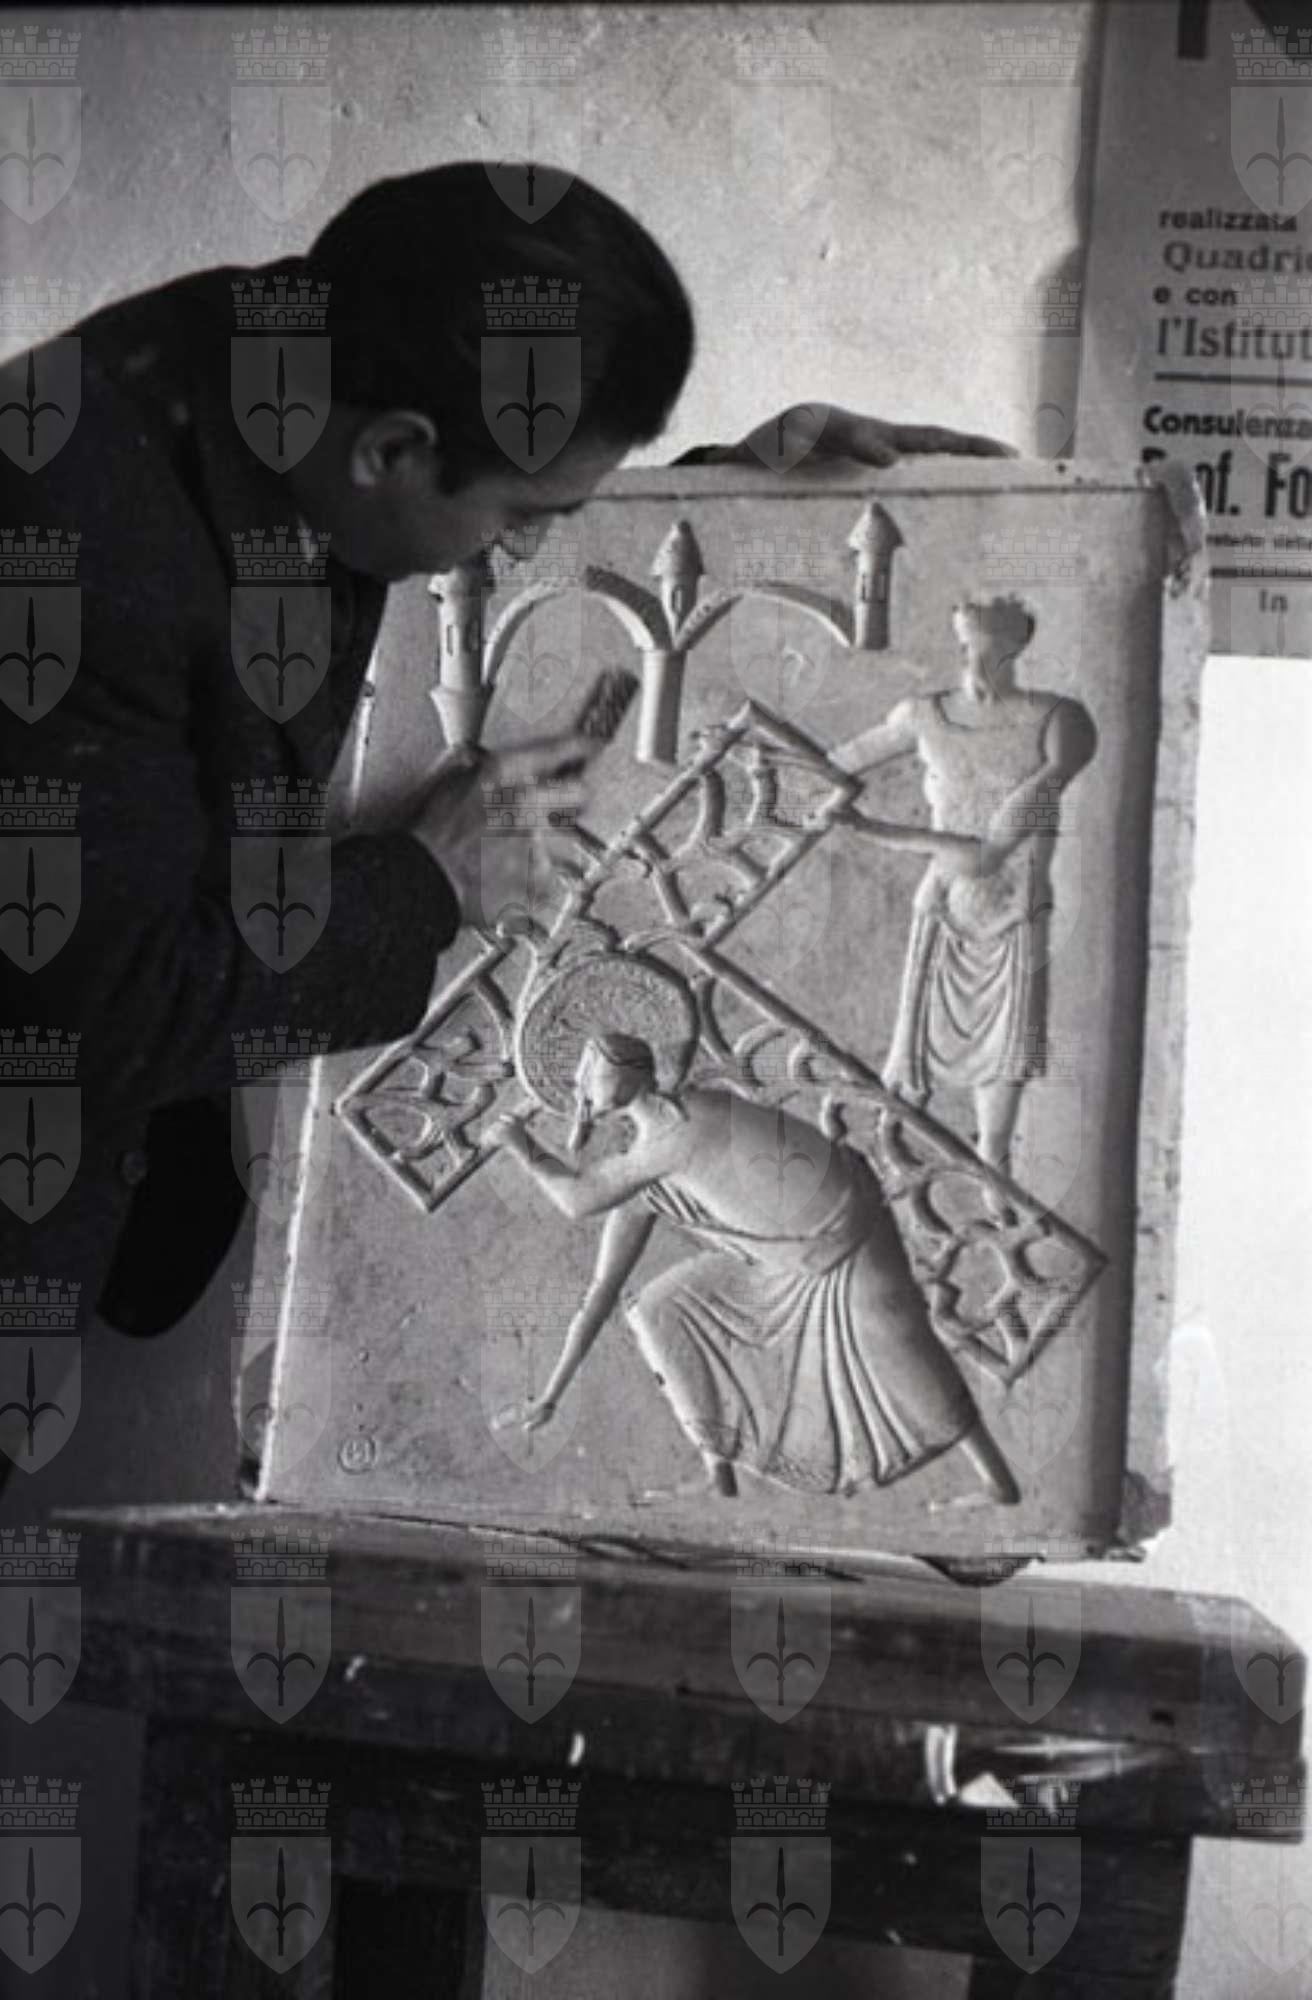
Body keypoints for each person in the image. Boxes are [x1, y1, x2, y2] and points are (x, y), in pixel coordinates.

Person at [0, 161, 1010, 1341]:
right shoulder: (66, 541)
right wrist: (425, 881)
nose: (525, 547)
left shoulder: (315, 357)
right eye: (531, 514)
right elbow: (93, 1013)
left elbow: (446, 506)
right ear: (391, 451)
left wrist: (735, 502)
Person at [489, 1032, 1019, 1508]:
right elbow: (603, 1289)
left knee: (903, 1350)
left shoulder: (676, 1133)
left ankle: (998, 1482)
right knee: (659, 1311)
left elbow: (578, 1200)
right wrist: (552, 1395)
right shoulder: (652, 1164)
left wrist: (523, 1148)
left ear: (626, 1079)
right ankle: (716, 1473)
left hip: (843, 1234)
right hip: (790, 1259)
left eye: (592, 1073)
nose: (583, 1084)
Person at [831, 597, 1096, 1175]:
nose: (971, 660)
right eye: (963, 645)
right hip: (945, 906)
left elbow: (987, 855)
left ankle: (991, 1167)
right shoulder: (923, 715)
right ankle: (885, 1157)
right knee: (912, 1058)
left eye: (984, 647)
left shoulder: (1059, 722)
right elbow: (835, 764)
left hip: (1011, 908)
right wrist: (763, 753)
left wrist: (873, 830)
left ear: (1014, 648)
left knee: (1003, 1055)